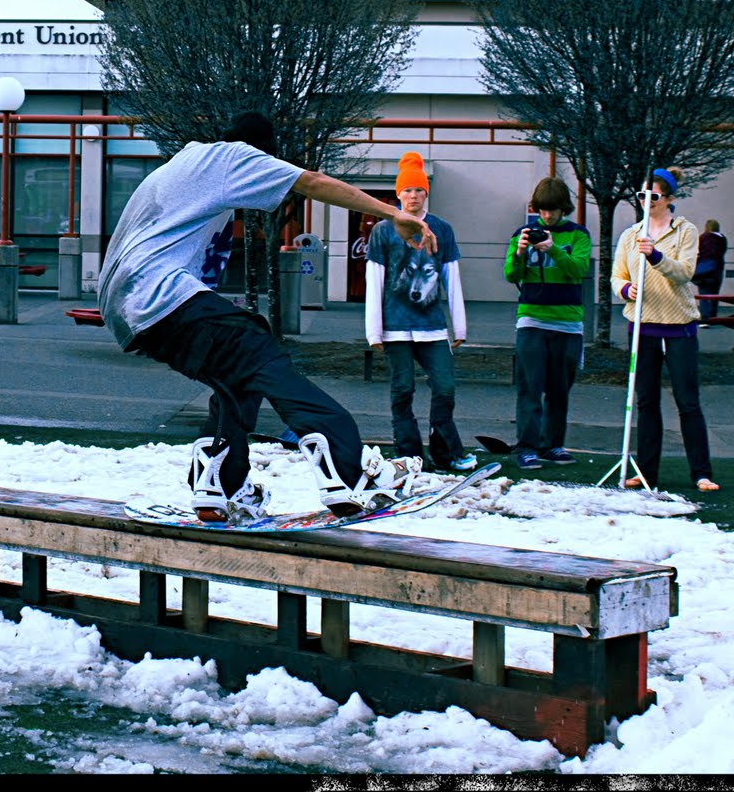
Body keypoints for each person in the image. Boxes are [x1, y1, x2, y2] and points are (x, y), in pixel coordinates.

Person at [99, 111, 437, 522]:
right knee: (260, 354)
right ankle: (351, 470)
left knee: (237, 368)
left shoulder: (182, 166)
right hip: (157, 293)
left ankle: (219, 480)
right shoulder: (232, 157)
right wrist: (392, 214)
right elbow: (311, 181)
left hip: (127, 307)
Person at [610, 166, 718, 493]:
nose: (647, 201)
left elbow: (685, 272)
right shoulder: (631, 234)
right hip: (643, 326)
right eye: (642, 195)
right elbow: (618, 275)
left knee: (687, 400)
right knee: (646, 401)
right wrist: (624, 290)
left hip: (678, 326)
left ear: (668, 199)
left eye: (654, 196)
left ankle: (701, 472)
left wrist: (655, 255)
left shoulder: (684, 231)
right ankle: (646, 472)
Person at [365, 152, 474, 473]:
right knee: (402, 390)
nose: (413, 196)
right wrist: (374, 331)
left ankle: (445, 450)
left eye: (419, 190)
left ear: (427, 192)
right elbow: (374, 281)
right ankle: (409, 456)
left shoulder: (441, 228)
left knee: (445, 388)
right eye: (407, 190)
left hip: (433, 328)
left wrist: (460, 327)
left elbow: (452, 278)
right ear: (397, 193)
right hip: (396, 328)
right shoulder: (383, 230)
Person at [503, 176, 590, 470]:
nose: (547, 216)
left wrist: (552, 248)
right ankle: (527, 446)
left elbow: (578, 270)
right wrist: (520, 253)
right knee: (529, 387)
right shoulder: (522, 234)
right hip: (531, 321)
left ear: (563, 208)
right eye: (541, 210)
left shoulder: (578, 235)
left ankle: (553, 444)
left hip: (567, 323)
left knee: (559, 389)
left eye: (552, 210)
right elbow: (510, 276)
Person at [693, 218, 728, 321]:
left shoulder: (702, 238)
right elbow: (722, 252)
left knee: (704, 294)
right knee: (715, 294)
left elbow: (697, 253)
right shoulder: (722, 238)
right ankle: (713, 316)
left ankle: (705, 318)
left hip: (703, 270)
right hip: (717, 269)